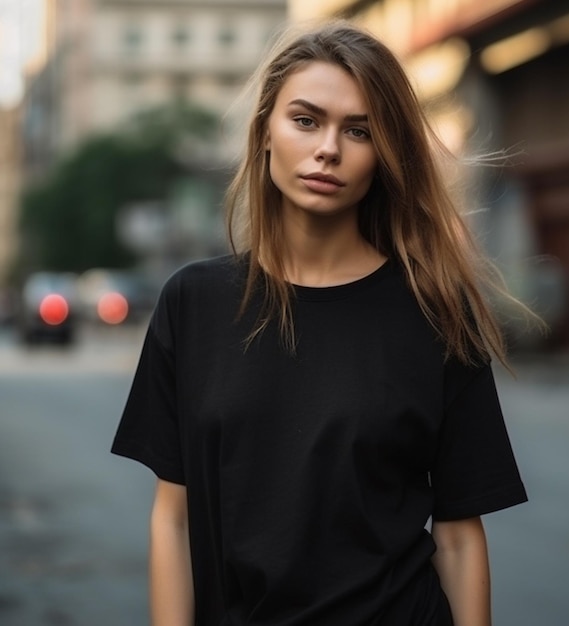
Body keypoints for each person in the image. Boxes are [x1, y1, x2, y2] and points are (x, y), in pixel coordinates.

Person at [111, 20, 530, 626]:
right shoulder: (193, 303)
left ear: (384, 155)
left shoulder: (436, 313)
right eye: (305, 120)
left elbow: (461, 536)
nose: (328, 147)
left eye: (358, 130)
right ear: (264, 133)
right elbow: (173, 519)